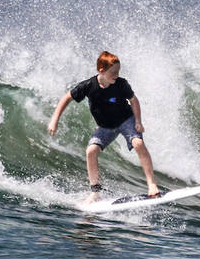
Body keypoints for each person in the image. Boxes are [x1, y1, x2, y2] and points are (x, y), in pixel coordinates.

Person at [47, 51, 161, 203]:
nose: (117, 75)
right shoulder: (88, 86)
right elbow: (67, 97)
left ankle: (152, 184)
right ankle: (95, 192)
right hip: (105, 126)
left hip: (126, 120)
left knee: (138, 143)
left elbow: (134, 100)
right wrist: (55, 120)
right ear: (101, 71)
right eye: (113, 72)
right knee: (91, 151)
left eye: (118, 71)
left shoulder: (121, 84)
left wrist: (138, 121)